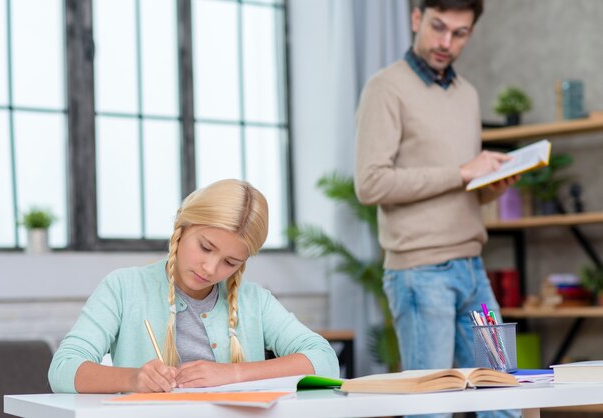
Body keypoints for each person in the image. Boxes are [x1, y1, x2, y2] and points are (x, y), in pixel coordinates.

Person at [355, 1, 518, 417]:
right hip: (420, 275)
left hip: (473, 272)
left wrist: (489, 185)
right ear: (416, 19)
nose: (446, 42)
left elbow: (462, 187)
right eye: (438, 27)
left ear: (470, 33)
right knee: (432, 406)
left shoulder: (468, 95)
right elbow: (370, 183)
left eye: (459, 33)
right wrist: (463, 171)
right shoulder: (385, 88)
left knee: (506, 396)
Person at [48, 179, 339, 393]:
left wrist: (232, 373)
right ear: (182, 226)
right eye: (205, 247)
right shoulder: (124, 288)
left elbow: (324, 360)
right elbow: (63, 368)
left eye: (230, 262)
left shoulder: (255, 301)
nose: (211, 269)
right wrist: (134, 379)